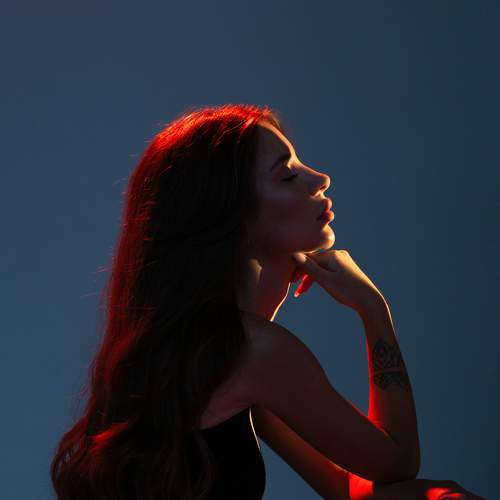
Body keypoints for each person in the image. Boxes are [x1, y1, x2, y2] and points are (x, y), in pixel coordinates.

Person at [50, 104, 483, 499]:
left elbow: (346, 487)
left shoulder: (204, 346)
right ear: (231, 214)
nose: (320, 179)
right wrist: (374, 310)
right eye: (288, 175)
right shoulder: (252, 350)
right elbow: (396, 460)